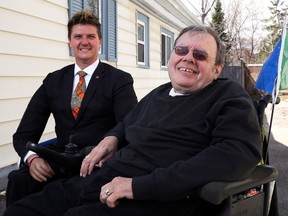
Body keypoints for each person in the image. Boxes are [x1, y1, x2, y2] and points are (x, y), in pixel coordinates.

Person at [4, 24, 262, 216]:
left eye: (200, 55)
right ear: (171, 57)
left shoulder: (227, 96)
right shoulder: (159, 93)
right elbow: (128, 122)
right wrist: (112, 138)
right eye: (181, 49)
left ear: (217, 69)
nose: (188, 58)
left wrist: (139, 187)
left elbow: (237, 152)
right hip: (97, 180)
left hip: (151, 198)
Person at [6, 10, 137, 207]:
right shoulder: (54, 80)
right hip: (59, 160)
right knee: (18, 180)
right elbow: (24, 133)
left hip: (96, 163)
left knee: (63, 199)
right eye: (78, 36)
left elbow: (128, 125)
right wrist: (32, 158)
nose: (84, 42)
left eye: (90, 36)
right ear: (70, 41)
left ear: (100, 41)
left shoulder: (118, 80)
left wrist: (108, 147)